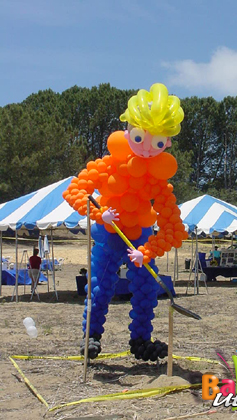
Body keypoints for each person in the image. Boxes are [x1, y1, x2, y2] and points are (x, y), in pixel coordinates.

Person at [63, 83, 187, 361]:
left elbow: (173, 229)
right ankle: (90, 338)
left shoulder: (158, 180)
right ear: (128, 131)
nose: (146, 148)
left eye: (156, 142)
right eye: (140, 137)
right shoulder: (109, 164)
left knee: (145, 290)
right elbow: (75, 191)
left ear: (166, 143)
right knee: (100, 288)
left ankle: (141, 341)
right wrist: (97, 213)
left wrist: (146, 251)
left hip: (140, 238)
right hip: (109, 235)